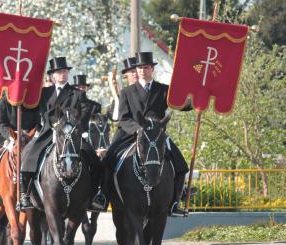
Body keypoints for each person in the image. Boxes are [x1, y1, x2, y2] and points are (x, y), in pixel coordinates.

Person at [102, 52, 192, 216]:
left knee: (181, 165)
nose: (142, 71)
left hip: (156, 135)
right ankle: (102, 195)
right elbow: (122, 118)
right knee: (108, 159)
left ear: (152, 69)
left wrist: (194, 100)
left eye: (145, 67)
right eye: (139, 68)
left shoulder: (163, 90)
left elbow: (182, 104)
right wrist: (137, 129)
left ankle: (175, 201)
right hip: (130, 132)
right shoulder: (127, 92)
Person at [20, 56, 103, 210]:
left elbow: (84, 112)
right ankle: (25, 194)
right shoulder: (43, 92)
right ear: (53, 75)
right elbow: (31, 109)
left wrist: (76, 126)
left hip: (72, 133)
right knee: (28, 157)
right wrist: (21, 100)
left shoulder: (77, 93)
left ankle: (95, 195)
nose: (63, 74)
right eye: (59, 72)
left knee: (94, 161)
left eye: (65, 71)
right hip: (48, 132)